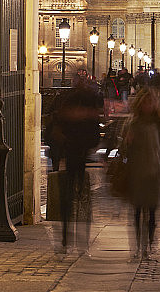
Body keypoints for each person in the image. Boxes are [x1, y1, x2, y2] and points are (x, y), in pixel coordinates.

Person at [121, 88, 160, 259]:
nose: (148, 105)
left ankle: (150, 244)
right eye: (145, 102)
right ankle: (138, 245)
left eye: (151, 102)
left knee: (152, 212)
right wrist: (126, 142)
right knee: (137, 212)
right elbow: (122, 151)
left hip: (155, 171)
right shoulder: (132, 123)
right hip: (136, 171)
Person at [57, 83, 101, 252]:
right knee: (74, 198)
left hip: (74, 157)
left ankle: (69, 238)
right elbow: (95, 138)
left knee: (72, 198)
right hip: (76, 158)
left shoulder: (70, 116)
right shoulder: (84, 118)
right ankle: (70, 237)